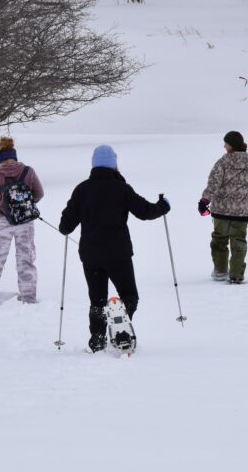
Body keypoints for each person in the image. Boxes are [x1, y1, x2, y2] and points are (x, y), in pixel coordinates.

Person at [58, 145, 170, 352]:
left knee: (97, 301)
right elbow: (145, 211)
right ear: (114, 164)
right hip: (119, 253)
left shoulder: (82, 189)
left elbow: (66, 226)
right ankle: (121, 325)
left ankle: (97, 339)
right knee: (129, 295)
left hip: (91, 254)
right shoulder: (121, 188)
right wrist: (163, 207)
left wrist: (68, 218)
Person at [0, 137, 45, 307]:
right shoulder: (28, 171)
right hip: (25, 222)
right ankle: (28, 297)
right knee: (25, 259)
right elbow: (39, 193)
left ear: (0, 158)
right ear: (14, 155)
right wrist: (25, 205)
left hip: (3, 222)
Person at [199, 131, 248, 284]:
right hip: (241, 211)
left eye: (226, 143)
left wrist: (204, 200)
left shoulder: (223, 162)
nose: (224, 146)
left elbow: (213, 183)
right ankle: (236, 274)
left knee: (219, 240)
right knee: (239, 242)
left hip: (221, 210)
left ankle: (220, 271)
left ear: (232, 145)